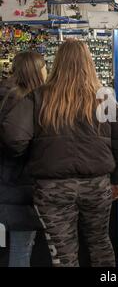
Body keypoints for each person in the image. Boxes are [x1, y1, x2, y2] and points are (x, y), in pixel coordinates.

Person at [0, 40, 118, 267]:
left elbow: (13, 135)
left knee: (63, 252)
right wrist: (117, 178)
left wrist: (29, 154)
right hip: (96, 184)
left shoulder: (39, 97)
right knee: (100, 243)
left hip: (52, 188)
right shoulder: (104, 99)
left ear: (57, 62)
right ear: (88, 63)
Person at [0, 51, 47, 267]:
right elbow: (16, 141)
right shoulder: (28, 100)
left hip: (7, 186)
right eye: (45, 66)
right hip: (19, 188)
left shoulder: (5, 95)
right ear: (36, 71)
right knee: (21, 250)